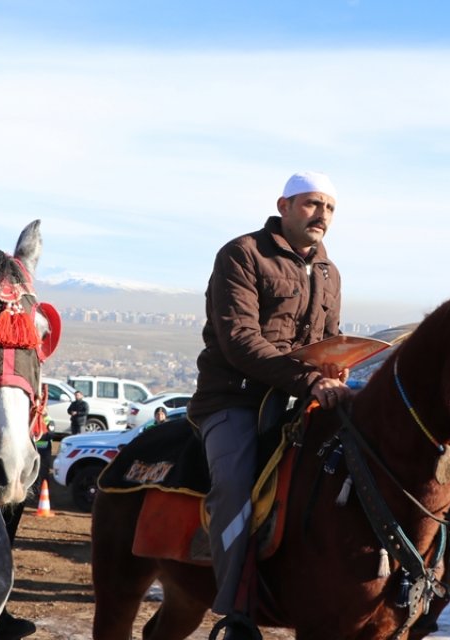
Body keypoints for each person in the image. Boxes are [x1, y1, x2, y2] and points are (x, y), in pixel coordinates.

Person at [188, 170, 351, 638]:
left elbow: (326, 339)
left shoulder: (328, 270)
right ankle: (236, 610)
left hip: (301, 397)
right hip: (235, 399)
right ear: (283, 206)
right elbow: (240, 340)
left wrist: (337, 365)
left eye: (330, 208)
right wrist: (309, 380)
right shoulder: (242, 253)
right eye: (311, 204)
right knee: (236, 485)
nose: (321, 215)